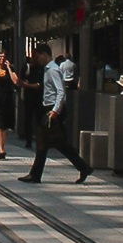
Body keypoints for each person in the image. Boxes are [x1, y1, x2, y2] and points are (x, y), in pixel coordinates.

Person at [19, 42, 90, 184]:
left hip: (52, 109)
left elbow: (60, 91)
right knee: (46, 142)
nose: (36, 60)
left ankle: (82, 167)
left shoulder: (52, 70)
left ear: (44, 55)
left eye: (38, 56)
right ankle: (36, 174)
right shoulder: (47, 69)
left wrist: (55, 111)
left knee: (54, 142)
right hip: (48, 108)